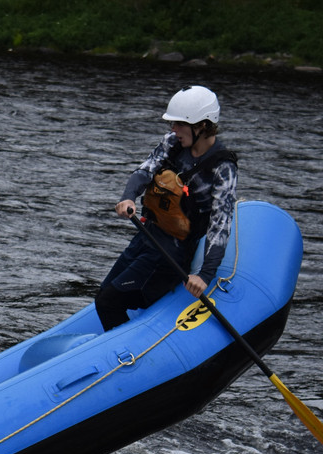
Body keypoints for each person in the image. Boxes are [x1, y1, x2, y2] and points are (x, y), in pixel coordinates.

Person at [94, 85, 238, 331]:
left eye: (180, 123)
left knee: (109, 302)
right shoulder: (173, 143)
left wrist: (204, 275)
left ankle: (135, 349)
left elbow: (220, 224)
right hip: (147, 235)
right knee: (104, 295)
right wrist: (129, 197)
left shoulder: (223, 168)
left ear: (202, 125)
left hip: (171, 253)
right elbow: (145, 171)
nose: (173, 129)